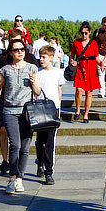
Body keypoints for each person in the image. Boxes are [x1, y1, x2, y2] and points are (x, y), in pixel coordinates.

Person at [0, 39, 37, 194]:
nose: (20, 52)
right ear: (10, 52)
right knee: (15, 145)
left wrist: (34, 83)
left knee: (25, 147)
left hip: (27, 112)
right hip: (10, 110)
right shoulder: (5, 69)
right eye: (16, 49)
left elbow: (37, 92)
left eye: (22, 49)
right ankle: (12, 178)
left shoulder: (32, 68)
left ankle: (20, 179)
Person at [33, 45, 63, 184]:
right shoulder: (38, 72)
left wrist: (59, 108)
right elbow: (36, 92)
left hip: (53, 109)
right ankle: (40, 162)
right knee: (40, 140)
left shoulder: (57, 73)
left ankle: (49, 171)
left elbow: (59, 91)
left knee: (50, 141)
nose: (41, 60)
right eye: (40, 57)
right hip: (40, 108)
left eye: (44, 57)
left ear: (51, 58)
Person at [71, 22, 99, 122]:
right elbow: (72, 55)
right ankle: (78, 110)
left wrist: (102, 64)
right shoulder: (76, 42)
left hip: (91, 67)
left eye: (85, 33)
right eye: (82, 33)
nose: (83, 35)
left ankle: (86, 113)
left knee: (89, 92)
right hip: (80, 67)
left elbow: (97, 58)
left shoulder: (94, 43)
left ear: (90, 33)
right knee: (79, 90)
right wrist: (72, 61)